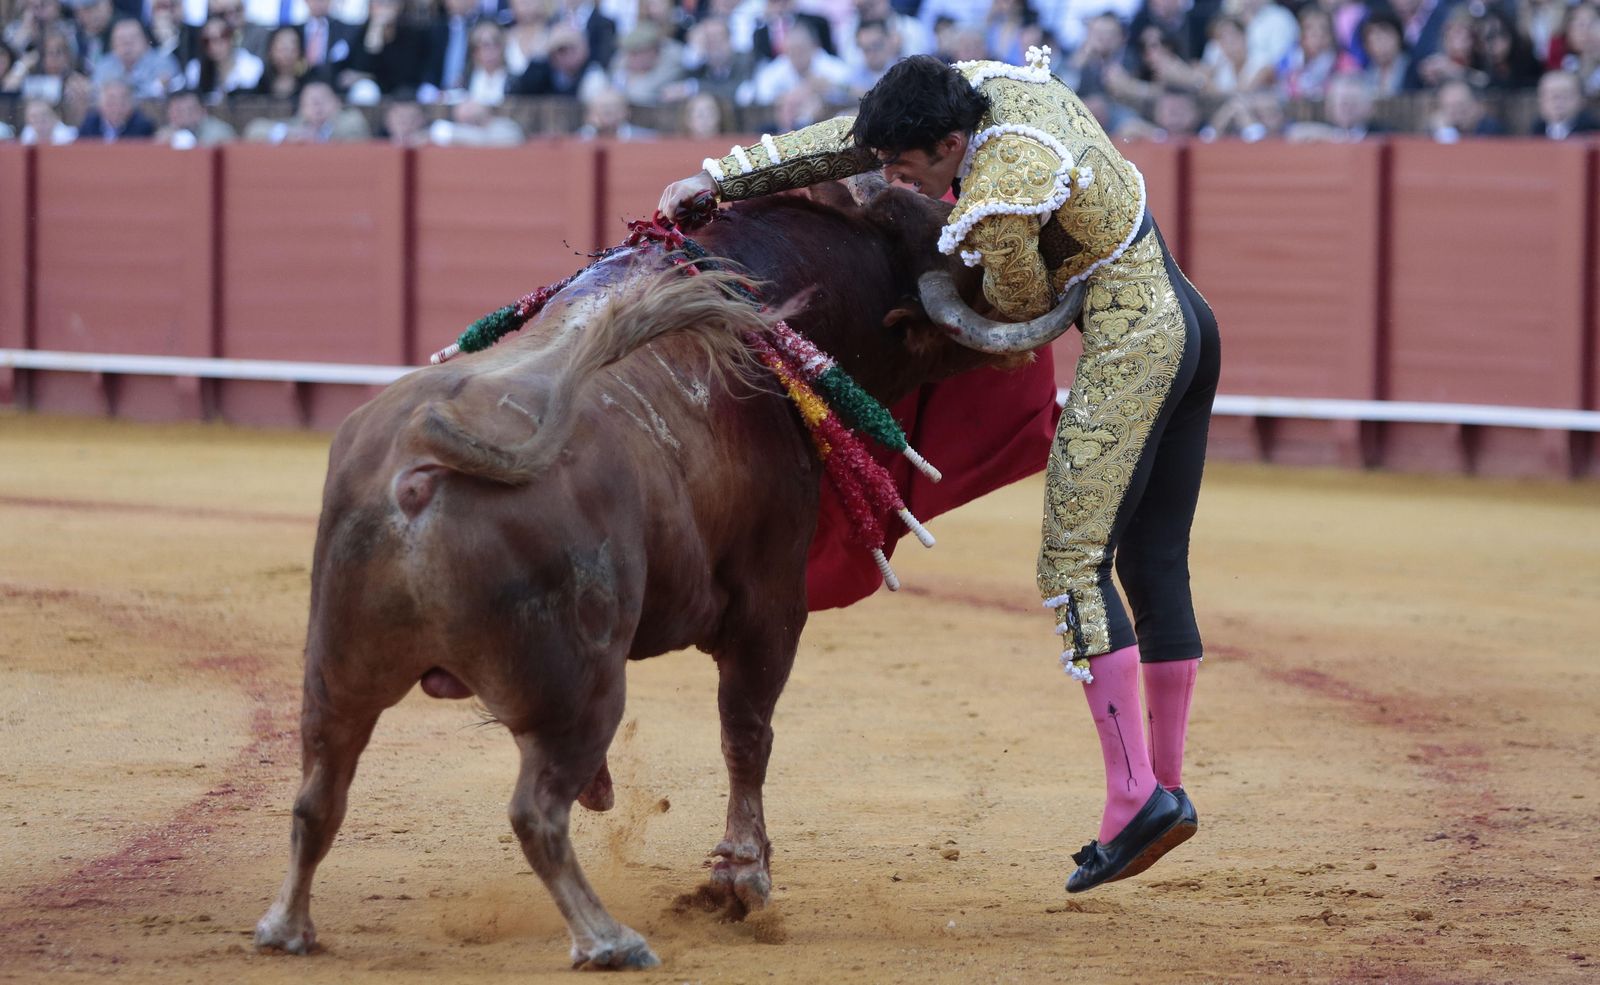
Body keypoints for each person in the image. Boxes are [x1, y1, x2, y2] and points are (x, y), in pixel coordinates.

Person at [658, 49, 1219, 894]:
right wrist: (722, 180)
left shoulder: (1000, 190)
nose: (893, 178)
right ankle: (1164, 786)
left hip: (1135, 336)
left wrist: (931, 316)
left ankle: (1138, 795)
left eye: (909, 167)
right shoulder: (980, 89)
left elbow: (1020, 313)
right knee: (1150, 562)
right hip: (1187, 316)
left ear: (954, 143)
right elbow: (848, 143)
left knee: (1071, 566)